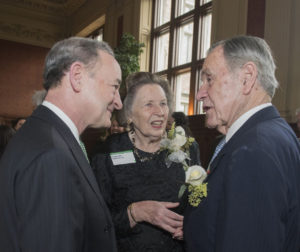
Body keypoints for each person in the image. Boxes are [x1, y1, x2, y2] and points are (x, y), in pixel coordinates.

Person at [0, 37, 122, 252]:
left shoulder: (44, 135)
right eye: (115, 87)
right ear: (77, 77)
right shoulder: (51, 155)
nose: (119, 102)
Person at [184, 35, 300, 252]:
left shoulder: (253, 151)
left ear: (247, 78)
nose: (200, 93)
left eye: (209, 79)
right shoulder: (274, 133)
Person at [92, 72, 201, 252]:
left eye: (163, 104)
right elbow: (96, 221)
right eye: (148, 105)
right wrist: (135, 213)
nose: (159, 112)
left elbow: (198, 201)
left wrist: (193, 224)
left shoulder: (188, 148)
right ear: (130, 115)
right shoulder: (108, 152)